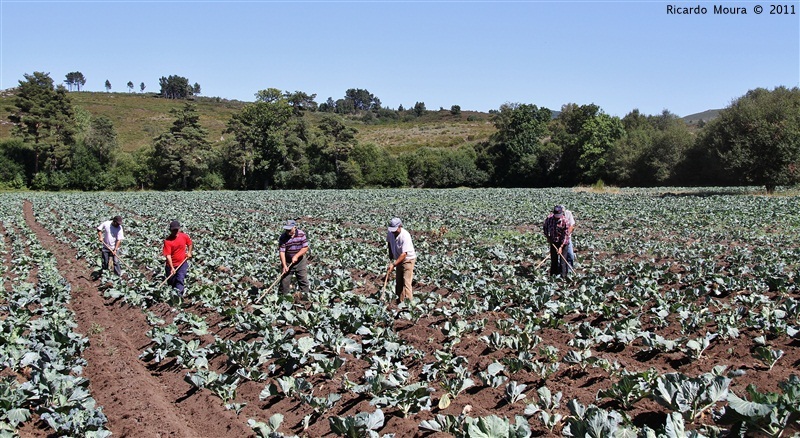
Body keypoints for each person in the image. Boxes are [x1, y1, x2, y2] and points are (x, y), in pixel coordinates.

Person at [386, 217, 417, 302]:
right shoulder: (390, 232)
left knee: (406, 283)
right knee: (398, 282)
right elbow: (389, 242)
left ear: (400, 226)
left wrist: (394, 264)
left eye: (395, 229)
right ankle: (399, 302)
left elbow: (404, 254)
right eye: (392, 229)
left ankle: (408, 305)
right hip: (398, 259)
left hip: (408, 260)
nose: (393, 232)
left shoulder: (405, 236)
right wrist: (391, 255)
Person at [278, 219, 310, 295]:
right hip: (288, 261)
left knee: (303, 280)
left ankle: (305, 298)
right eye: (286, 230)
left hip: (300, 261)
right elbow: (282, 251)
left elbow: (305, 248)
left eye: (289, 230)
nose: (288, 232)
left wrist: (296, 256)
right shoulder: (283, 237)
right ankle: (283, 299)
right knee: (285, 281)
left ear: (295, 227)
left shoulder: (301, 234)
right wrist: (284, 265)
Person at [162, 220, 193, 294]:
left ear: (179, 229)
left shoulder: (184, 236)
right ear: (170, 230)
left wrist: (189, 252)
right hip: (171, 266)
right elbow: (168, 255)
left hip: (182, 263)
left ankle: (178, 297)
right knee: (171, 283)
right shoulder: (168, 241)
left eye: (176, 230)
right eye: (173, 230)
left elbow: (190, 243)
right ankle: (172, 297)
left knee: (180, 280)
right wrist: (172, 268)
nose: (175, 232)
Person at [543, 205, 572, 277]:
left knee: (563, 261)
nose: (558, 216)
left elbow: (566, 235)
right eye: (556, 215)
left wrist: (561, 247)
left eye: (559, 215)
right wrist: (548, 237)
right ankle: (553, 276)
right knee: (554, 259)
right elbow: (545, 228)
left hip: (563, 242)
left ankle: (563, 277)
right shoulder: (549, 219)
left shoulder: (565, 221)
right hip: (553, 241)